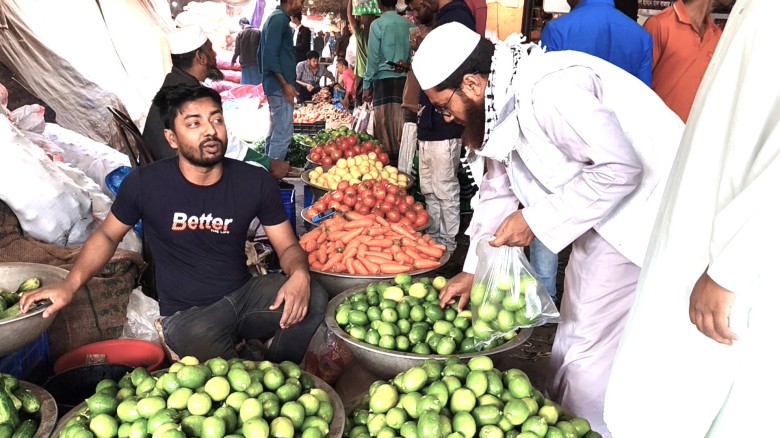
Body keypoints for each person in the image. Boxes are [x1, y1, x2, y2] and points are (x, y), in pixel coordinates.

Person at [414, 23, 684, 437]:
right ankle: (560, 417)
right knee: (577, 331)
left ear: (470, 82)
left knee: (588, 348)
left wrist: (536, 220)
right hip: (602, 215)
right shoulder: (500, 103)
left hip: (642, 216)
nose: (445, 119)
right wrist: (474, 268)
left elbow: (621, 168)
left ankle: (584, 427)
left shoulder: (548, 91)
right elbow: (496, 190)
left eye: (444, 107)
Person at [20, 84, 328, 363]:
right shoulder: (145, 184)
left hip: (244, 296)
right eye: (194, 123)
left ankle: (279, 365)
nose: (210, 131)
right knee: (222, 379)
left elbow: (287, 244)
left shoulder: (254, 181)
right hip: (188, 317)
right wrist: (68, 285)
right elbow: (107, 237)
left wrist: (299, 273)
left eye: (216, 119)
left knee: (313, 297)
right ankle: (247, 359)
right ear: (172, 138)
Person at [605, 1, 780, 436]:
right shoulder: (743, 12)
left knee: (704, 395)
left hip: (729, 255)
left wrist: (729, 268)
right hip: (701, 216)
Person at [538, 0, 653, 302]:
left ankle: (544, 293)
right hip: (622, 152)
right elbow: (642, 99)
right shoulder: (640, 35)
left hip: (564, 151)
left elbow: (540, 84)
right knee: (604, 244)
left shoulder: (559, 28)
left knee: (542, 209)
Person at [144, 26, 289, 178]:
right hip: (177, 180)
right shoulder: (189, 97)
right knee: (257, 175)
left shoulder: (175, 83)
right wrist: (268, 164)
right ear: (201, 57)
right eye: (210, 49)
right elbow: (226, 145)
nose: (214, 54)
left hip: (170, 172)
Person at [414, 0, 476, 252]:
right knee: (429, 186)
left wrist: (446, 109)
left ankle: (448, 241)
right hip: (430, 121)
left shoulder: (458, 16)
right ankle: (435, 235)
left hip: (443, 126)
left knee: (444, 186)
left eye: (418, 5)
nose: (418, 7)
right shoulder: (445, 17)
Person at [643, 0, 726, 122]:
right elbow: (639, 87)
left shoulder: (717, 35)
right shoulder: (659, 24)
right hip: (658, 130)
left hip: (696, 133)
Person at [541, 0, 653, 87]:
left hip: (568, 114)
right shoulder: (642, 37)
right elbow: (643, 95)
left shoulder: (556, 29)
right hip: (622, 115)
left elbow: (544, 88)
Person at [363, 0, 415, 161]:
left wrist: (367, 84)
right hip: (404, 83)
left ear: (379, 4)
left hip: (382, 83)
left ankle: (387, 167)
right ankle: (403, 166)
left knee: (384, 129)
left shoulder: (377, 25)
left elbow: (372, 58)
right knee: (402, 126)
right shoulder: (409, 25)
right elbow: (413, 56)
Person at [261, 0, 302, 160]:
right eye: (301, 1)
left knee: (276, 130)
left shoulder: (276, 18)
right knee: (283, 132)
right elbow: (269, 56)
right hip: (279, 86)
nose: (302, 4)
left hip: (275, 84)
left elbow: (264, 54)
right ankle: (272, 177)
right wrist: (284, 84)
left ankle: (267, 172)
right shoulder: (278, 19)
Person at [347, 0, 379, 107]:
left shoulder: (361, 34)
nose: (360, 18)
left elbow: (350, 16)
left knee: (360, 104)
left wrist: (350, 1)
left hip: (362, 74)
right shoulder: (379, 34)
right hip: (376, 73)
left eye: (362, 17)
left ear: (370, 19)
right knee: (373, 103)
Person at [231, 17, 262, 85]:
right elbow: (263, 48)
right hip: (256, 63)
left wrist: (233, 60)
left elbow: (237, 50)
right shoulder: (258, 32)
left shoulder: (240, 34)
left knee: (245, 85)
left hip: (245, 63)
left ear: (242, 24)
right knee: (258, 85)